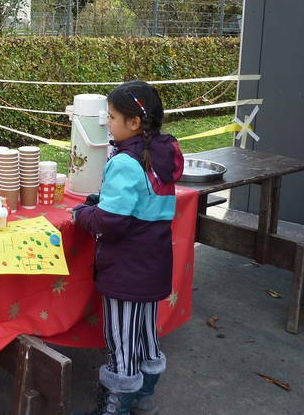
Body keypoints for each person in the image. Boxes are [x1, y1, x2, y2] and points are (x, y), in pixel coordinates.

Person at [72, 80, 184, 415]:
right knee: (147, 332)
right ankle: (144, 398)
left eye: (111, 117)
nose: (107, 122)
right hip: (154, 265)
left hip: (126, 270)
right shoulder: (163, 153)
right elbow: (139, 205)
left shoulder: (124, 162)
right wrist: (104, 203)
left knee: (121, 340)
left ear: (133, 123)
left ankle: (115, 407)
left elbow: (111, 224)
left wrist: (83, 214)